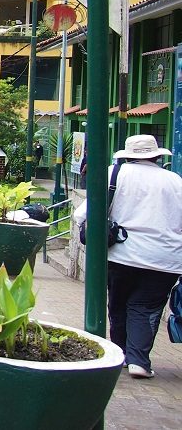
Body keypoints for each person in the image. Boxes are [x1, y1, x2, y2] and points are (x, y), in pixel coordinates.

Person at [74, 134, 182, 378]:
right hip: (163, 259)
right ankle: (139, 361)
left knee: (118, 303)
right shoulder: (175, 181)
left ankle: (120, 354)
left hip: (120, 255)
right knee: (145, 307)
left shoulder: (114, 174)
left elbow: (82, 215)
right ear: (156, 155)